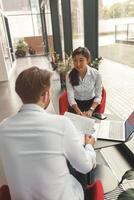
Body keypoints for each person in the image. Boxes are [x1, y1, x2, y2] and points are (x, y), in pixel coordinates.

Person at [0, 66, 96, 200]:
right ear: (45, 95)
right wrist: (89, 146)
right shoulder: (62, 124)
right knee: (78, 162)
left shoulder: (3, 128)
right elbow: (86, 167)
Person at [66, 47, 102, 118]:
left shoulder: (96, 74)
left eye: (81, 60)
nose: (78, 64)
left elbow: (98, 96)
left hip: (91, 105)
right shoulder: (69, 75)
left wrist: (91, 110)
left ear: (87, 60)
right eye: (75, 60)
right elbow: (70, 97)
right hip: (75, 106)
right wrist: (79, 112)